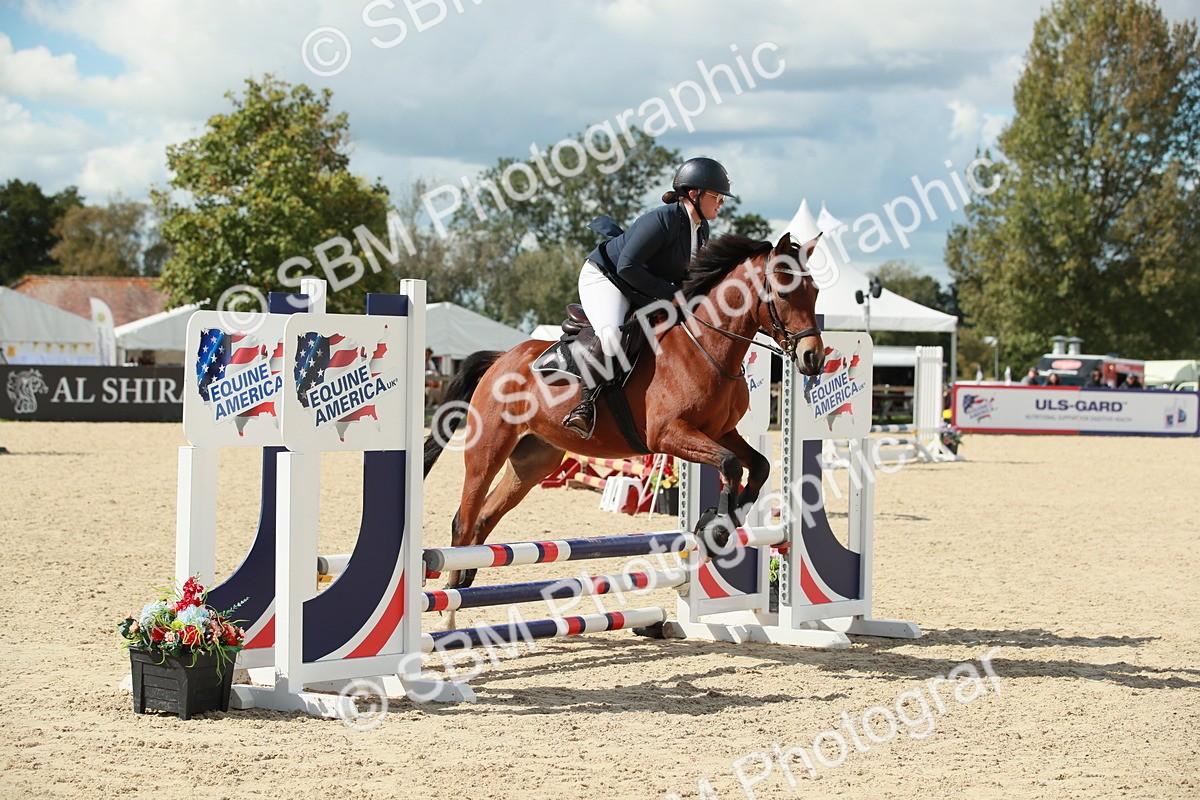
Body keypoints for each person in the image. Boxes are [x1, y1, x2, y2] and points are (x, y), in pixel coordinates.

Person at [561, 157, 737, 438]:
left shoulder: (701, 229)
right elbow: (626, 267)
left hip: (640, 283)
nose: (721, 203)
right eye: (716, 196)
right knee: (612, 335)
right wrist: (671, 295)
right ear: (695, 195)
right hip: (606, 277)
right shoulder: (661, 220)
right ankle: (585, 406)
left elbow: (688, 279)